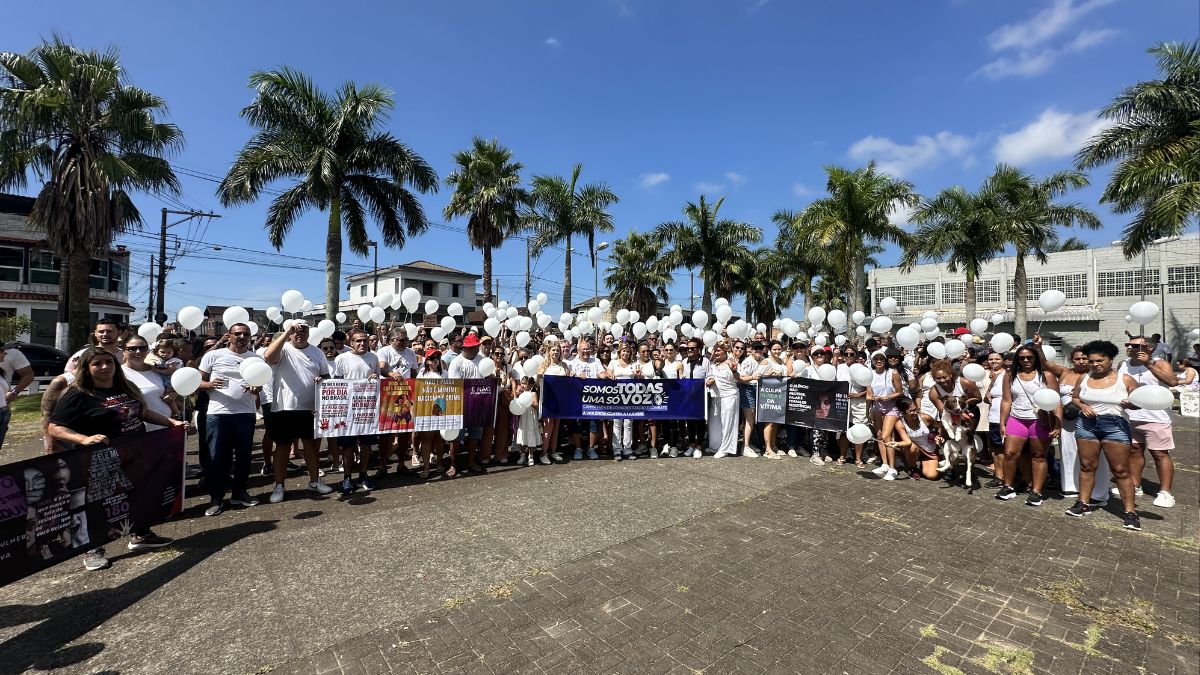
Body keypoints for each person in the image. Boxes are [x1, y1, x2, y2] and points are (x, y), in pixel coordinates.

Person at [47, 346, 187, 570]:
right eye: (97, 363)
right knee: (99, 503)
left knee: (138, 494)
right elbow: (55, 427)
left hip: (135, 453)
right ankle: (93, 549)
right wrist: (84, 439)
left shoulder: (125, 386)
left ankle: (141, 535)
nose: (105, 367)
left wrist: (172, 423)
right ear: (86, 368)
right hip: (100, 459)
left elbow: (143, 412)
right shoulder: (78, 394)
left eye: (109, 362)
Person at [1068, 340, 1143, 530]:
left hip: (1115, 425)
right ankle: (1083, 503)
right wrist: (1083, 406)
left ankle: (1130, 512)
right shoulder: (1084, 378)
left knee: (1120, 470)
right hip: (1087, 425)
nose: (1095, 364)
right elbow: (1075, 397)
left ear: (1110, 360)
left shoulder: (1125, 379)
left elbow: (1140, 402)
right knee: (1087, 466)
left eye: (1100, 360)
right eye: (1091, 361)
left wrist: (1131, 404)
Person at [262, 321, 334, 503]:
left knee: (311, 446)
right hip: (284, 408)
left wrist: (322, 380)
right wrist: (287, 332)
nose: (299, 333)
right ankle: (279, 485)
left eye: (304, 330)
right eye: (296, 330)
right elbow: (268, 356)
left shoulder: (317, 352)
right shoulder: (283, 348)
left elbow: (326, 376)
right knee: (283, 447)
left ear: (309, 332)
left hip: (310, 408)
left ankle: (315, 481)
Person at [196, 324, 261, 515]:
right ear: (229, 336)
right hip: (218, 414)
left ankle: (239, 493)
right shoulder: (213, 356)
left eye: (246, 334)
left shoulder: (255, 359)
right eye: (237, 333)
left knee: (244, 456)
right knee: (216, 457)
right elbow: (196, 381)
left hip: (246, 413)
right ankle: (216, 498)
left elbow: (260, 385)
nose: (242, 336)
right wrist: (209, 384)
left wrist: (256, 388)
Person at [997, 343, 1061, 505]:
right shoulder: (1010, 376)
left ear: (1035, 358)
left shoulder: (1046, 376)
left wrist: (1057, 424)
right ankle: (1008, 486)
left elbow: (1057, 402)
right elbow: (1006, 400)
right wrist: (1002, 423)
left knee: (1039, 456)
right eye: (1022, 358)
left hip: (1039, 421)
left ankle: (1036, 491)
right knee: (1010, 454)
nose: (1026, 360)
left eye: (1029, 357)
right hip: (1017, 418)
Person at [1118, 336, 1177, 508]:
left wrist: (1149, 364)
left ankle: (1165, 492)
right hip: (1130, 415)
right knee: (1134, 451)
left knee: (1159, 454)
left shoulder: (1160, 363)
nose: (1130, 348)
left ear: (1149, 348)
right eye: (1128, 344)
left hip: (1155, 417)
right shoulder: (1124, 364)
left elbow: (1172, 381)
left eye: (1135, 345)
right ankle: (1135, 485)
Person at [332, 330, 388, 493]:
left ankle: (363, 475)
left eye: (364, 341)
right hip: (348, 410)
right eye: (358, 341)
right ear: (351, 342)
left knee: (366, 445)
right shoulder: (341, 358)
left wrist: (375, 378)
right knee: (347, 446)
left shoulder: (373, 357)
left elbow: (377, 378)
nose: (362, 343)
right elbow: (337, 383)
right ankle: (347, 477)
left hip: (368, 408)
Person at [1056, 348, 1111, 505]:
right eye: (1077, 358)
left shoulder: (1100, 376)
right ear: (1071, 359)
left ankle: (1099, 491)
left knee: (1096, 456)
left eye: (1085, 358)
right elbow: (1045, 363)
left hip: (1093, 420)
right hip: (1068, 420)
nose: (1081, 361)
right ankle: (1070, 486)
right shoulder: (1065, 373)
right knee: (1068, 451)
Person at [566, 338, 606, 460]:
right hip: (577, 400)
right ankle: (578, 448)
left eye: (587, 349)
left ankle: (591, 448)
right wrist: (576, 376)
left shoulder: (596, 361)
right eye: (583, 349)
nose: (586, 351)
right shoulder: (572, 362)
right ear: (578, 350)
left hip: (593, 400)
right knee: (577, 425)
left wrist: (606, 375)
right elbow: (568, 377)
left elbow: (601, 373)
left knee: (594, 424)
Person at [866, 351, 903, 480]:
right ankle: (885, 464)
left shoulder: (893, 373)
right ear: (872, 361)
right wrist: (867, 411)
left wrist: (888, 397)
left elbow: (900, 392)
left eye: (881, 358)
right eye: (876, 358)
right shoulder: (869, 374)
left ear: (885, 360)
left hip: (891, 407)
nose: (878, 361)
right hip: (877, 407)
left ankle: (893, 468)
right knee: (879, 435)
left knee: (887, 435)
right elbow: (869, 394)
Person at [891, 397, 941, 480]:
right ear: (902, 412)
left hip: (930, 450)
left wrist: (938, 436)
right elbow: (907, 442)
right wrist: (897, 444)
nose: (915, 412)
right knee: (911, 447)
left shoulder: (925, 418)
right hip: (914, 450)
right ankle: (913, 468)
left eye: (915, 409)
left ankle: (924, 465)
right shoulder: (900, 424)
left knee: (932, 476)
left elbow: (939, 427)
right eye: (911, 411)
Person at [704, 342, 739, 459]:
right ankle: (715, 446)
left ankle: (725, 449)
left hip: (729, 396)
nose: (716, 353)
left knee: (727, 423)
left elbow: (738, 377)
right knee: (714, 423)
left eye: (719, 350)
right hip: (715, 396)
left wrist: (734, 370)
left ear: (725, 352)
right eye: (715, 351)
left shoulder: (731, 362)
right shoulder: (713, 364)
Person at [415, 348, 445, 479]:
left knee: (440, 439)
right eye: (432, 358)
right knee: (426, 439)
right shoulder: (422, 374)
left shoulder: (445, 373)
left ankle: (439, 463)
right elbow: (418, 392)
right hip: (426, 411)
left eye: (437, 357)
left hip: (441, 410)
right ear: (427, 361)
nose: (435, 360)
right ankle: (426, 467)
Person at [836, 346, 868, 468]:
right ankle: (842, 455)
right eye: (846, 354)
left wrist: (858, 395)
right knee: (845, 430)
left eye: (852, 354)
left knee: (859, 430)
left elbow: (871, 389)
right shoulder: (839, 368)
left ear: (857, 355)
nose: (848, 356)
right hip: (843, 402)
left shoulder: (864, 369)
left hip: (859, 404)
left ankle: (858, 458)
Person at [537, 342, 568, 462]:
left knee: (556, 427)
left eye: (557, 350)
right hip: (548, 400)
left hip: (560, 400)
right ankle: (543, 453)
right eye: (553, 350)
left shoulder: (564, 365)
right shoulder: (544, 365)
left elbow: (569, 381)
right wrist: (539, 377)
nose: (555, 352)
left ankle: (553, 451)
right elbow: (538, 382)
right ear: (549, 351)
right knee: (548, 427)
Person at [608, 342, 638, 461]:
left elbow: (638, 378)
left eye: (628, 351)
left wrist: (638, 376)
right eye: (623, 351)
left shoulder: (633, 364)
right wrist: (610, 375)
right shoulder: (613, 362)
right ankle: (617, 450)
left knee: (628, 424)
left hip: (630, 398)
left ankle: (627, 449)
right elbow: (608, 373)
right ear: (620, 352)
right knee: (617, 423)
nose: (625, 353)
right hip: (616, 397)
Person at [0, 343, 34, 448]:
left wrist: (14, 392)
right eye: (1, 351)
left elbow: (29, 374)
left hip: (3, 409)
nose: (4, 353)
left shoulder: (12, 355)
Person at [680, 338, 710, 457]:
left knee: (700, 421)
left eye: (692, 348)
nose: (689, 350)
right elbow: (681, 376)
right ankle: (691, 445)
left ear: (699, 349)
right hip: (688, 396)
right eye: (688, 348)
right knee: (690, 421)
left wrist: (709, 381)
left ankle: (699, 446)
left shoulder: (705, 361)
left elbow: (710, 376)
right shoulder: (684, 362)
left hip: (701, 396)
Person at [733, 341, 763, 457]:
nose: (758, 350)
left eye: (760, 348)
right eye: (756, 348)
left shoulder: (761, 360)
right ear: (751, 350)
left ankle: (747, 444)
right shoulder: (748, 361)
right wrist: (752, 377)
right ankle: (745, 447)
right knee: (749, 419)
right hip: (747, 389)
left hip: (755, 390)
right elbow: (740, 378)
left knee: (750, 419)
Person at [514, 376, 545, 465]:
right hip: (523, 417)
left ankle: (531, 456)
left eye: (525, 383)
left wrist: (529, 401)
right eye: (522, 383)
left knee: (531, 435)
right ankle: (522, 456)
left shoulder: (533, 393)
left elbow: (537, 406)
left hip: (531, 417)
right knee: (523, 436)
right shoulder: (521, 393)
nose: (522, 385)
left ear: (530, 385)